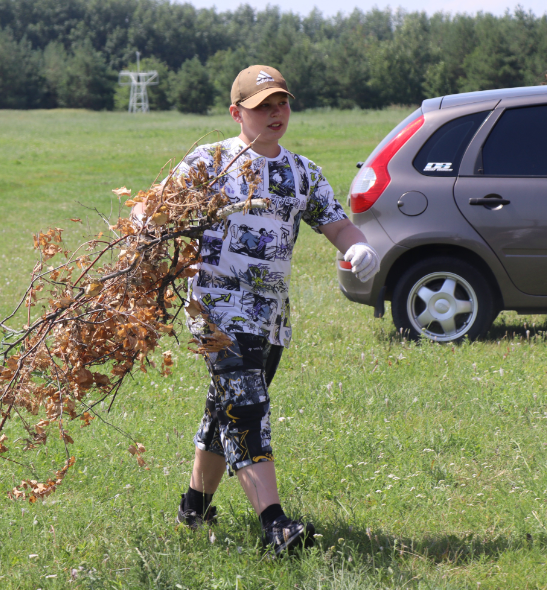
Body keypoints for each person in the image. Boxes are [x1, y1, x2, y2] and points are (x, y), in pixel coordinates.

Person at [134, 65, 380, 554]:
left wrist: (357, 248)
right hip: (216, 309)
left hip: (271, 316)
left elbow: (336, 224)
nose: (275, 114)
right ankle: (275, 525)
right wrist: (143, 227)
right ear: (236, 113)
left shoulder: (303, 172)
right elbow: (154, 206)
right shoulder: (209, 163)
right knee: (246, 407)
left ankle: (194, 507)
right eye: (262, 106)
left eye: (281, 104)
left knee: (224, 407)